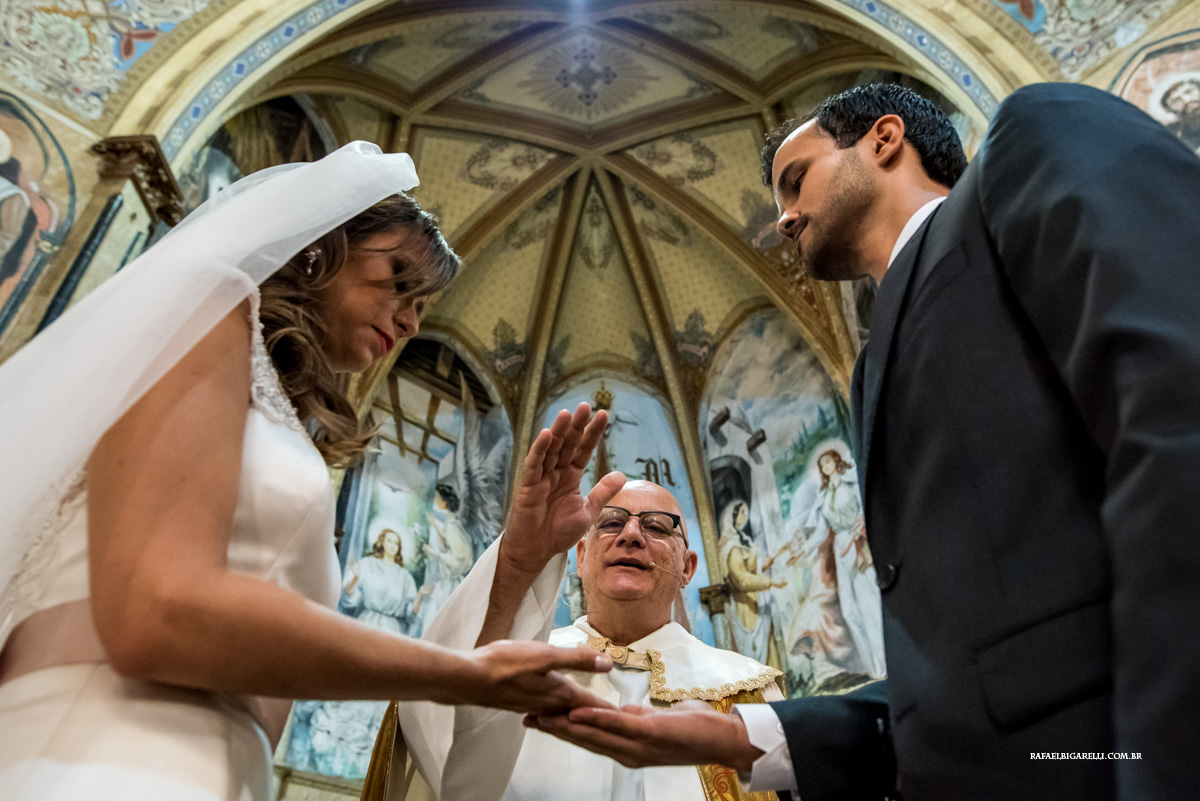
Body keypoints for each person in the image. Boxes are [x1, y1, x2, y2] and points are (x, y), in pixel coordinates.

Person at [531, 82, 1200, 801]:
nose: (784, 218)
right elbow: (970, 663)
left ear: (884, 139)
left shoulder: (1031, 144)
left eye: (796, 180)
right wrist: (752, 736)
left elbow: (1177, 410)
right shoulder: (874, 366)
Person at [0, 142, 616, 801]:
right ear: (321, 244)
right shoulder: (210, 308)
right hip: (110, 750)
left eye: (423, 307)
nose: (409, 320)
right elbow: (159, 605)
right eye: (401, 278)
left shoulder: (279, 418)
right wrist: (462, 673)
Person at [400, 479, 785, 801]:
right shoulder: (517, 665)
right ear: (580, 557)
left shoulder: (746, 688)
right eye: (611, 522)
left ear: (687, 568)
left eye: (656, 526)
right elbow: (432, 732)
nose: (631, 535)